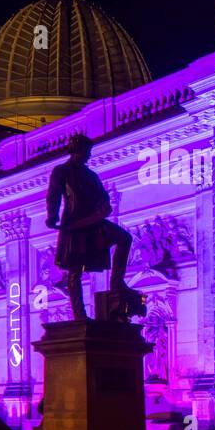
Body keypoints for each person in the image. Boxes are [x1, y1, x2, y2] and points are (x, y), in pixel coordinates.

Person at [46, 133, 138, 320]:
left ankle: (117, 283)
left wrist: (104, 208)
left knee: (124, 238)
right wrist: (52, 216)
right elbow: (53, 195)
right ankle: (79, 314)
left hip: (94, 222)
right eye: (86, 152)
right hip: (75, 224)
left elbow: (103, 197)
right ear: (76, 151)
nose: (89, 155)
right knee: (75, 270)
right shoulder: (61, 171)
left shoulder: (91, 175)